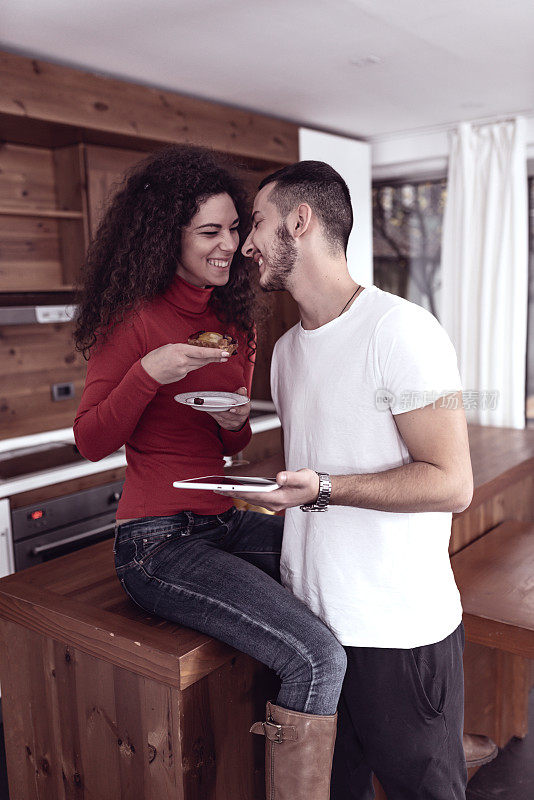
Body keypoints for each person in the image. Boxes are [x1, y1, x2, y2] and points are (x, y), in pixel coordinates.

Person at [73, 145, 346, 800]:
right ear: (170, 236)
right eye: (211, 232)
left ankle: (398, 746)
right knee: (316, 655)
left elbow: (233, 434)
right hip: (157, 542)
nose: (232, 245)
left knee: (344, 561)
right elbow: (90, 440)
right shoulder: (134, 322)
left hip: (224, 521)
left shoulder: (235, 323)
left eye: (234, 228)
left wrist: (231, 423)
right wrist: (148, 376)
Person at [220, 160, 490, 799]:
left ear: (300, 221)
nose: (245, 243)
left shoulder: (405, 331)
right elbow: (321, 462)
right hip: (315, 642)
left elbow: (453, 483)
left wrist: (323, 488)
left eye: (257, 222)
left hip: (400, 638)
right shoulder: (285, 353)